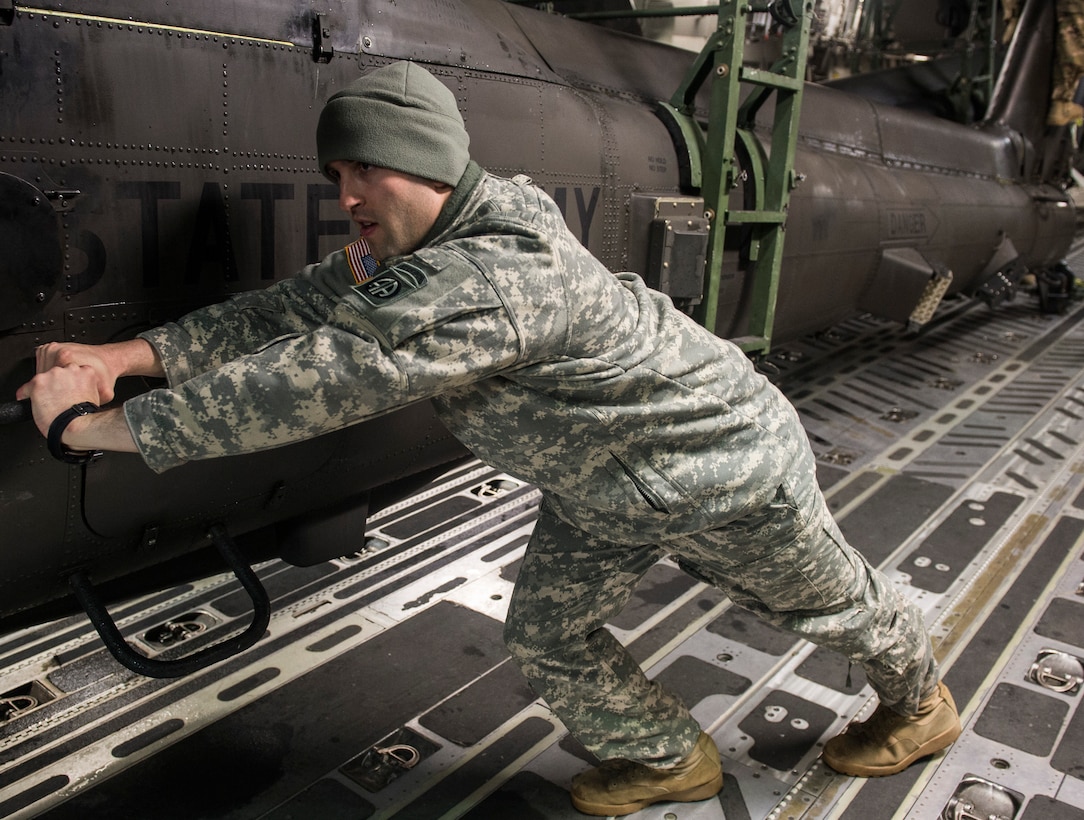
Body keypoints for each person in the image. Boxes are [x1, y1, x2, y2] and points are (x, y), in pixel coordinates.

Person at [17, 61, 961, 815]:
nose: (347, 195)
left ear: (424, 161)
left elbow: (320, 383)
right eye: (338, 174)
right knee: (549, 633)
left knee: (836, 608)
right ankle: (669, 757)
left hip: (721, 466)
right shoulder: (427, 239)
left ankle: (921, 708)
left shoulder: (490, 274)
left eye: (363, 171)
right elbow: (303, 308)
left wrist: (98, 425)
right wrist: (127, 355)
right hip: (605, 482)